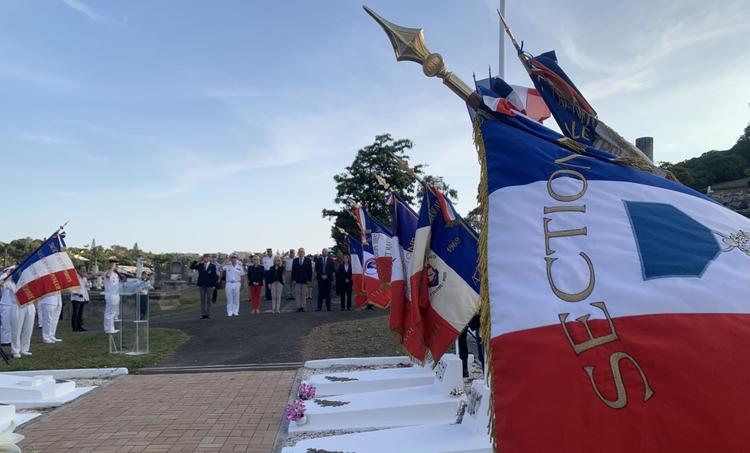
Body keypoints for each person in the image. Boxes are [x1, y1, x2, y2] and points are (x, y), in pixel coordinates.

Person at [1, 274, 34, 359]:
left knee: (28, 329)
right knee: (16, 329)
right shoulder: (10, 282)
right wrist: (8, 276)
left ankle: (25, 349)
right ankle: (15, 350)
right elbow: (2, 285)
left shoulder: (30, 279)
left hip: (30, 305)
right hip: (17, 305)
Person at [190, 254, 218, 319]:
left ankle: (208, 314)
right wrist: (197, 260)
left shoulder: (213, 266)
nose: (206, 259)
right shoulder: (200, 265)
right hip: (202, 285)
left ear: (209, 258)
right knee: (202, 300)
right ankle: (203, 314)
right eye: (204, 258)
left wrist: (214, 285)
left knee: (209, 300)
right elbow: (191, 267)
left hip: (210, 285)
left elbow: (214, 276)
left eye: (207, 258)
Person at [103, 257, 121, 334]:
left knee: (113, 312)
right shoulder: (108, 272)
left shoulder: (115, 274)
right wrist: (112, 268)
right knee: (109, 312)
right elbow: (108, 275)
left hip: (115, 294)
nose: (116, 266)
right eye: (115, 265)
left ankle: (111, 328)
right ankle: (108, 329)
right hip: (110, 295)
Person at [70, 265, 91, 332]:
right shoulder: (75, 277)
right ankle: (75, 327)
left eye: (84, 269)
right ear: (78, 270)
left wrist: (87, 279)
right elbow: (72, 288)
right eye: (82, 269)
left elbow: (87, 287)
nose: (84, 271)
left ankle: (80, 326)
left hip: (83, 298)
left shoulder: (84, 278)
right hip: (76, 298)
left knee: (80, 313)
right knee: (75, 313)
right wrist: (77, 293)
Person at [291, 248, 312, 312]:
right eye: (299, 252)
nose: (301, 253)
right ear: (298, 253)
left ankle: (303, 307)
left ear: (304, 253)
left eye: (302, 252)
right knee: (297, 294)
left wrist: (309, 280)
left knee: (303, 294)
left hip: (305, 280)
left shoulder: (308, 260)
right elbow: (293, 270)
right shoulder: (295, 260)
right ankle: (298, 307)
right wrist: (293, 279)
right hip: (297, 280)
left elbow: (310, 271)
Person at [0, 266, 13, 346]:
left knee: (10, 323)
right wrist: (7, 273)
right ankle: (4, 341)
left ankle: (9, 340)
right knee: (5, 324)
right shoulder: (3, 277)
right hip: (5, 304)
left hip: (10, 303)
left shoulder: (9, 278)